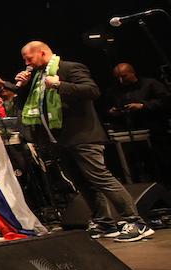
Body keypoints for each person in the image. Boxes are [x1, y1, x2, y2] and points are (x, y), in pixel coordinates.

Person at [13, 41, 153, 241]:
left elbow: (92, 90)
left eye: (29, 58)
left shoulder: (70, 68)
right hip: (58, 139)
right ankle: (104, 223)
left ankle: (136, 222)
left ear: (42, 53)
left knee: (99, 177)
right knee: (82, 182)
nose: (27, 63)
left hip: (81, 135)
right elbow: (24, 104)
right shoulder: (36, 77)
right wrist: (23, 87)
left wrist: (61, 84)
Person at [107, 62, 171, 180]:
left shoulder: (150, 83)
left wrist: (143, 106)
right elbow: (109, 108)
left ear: (133, 73)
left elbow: (166, 101)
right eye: (117, 78)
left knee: (162, 161)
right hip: (131, 132)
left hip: (155, 130)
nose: (121, 80)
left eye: (124, 76)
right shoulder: (115, 91)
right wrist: (113, 112)